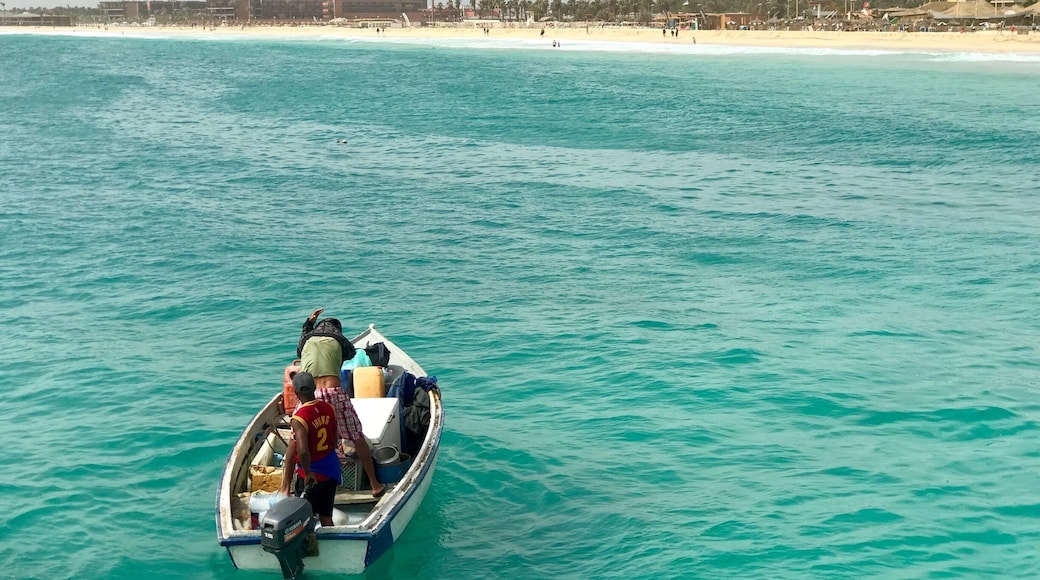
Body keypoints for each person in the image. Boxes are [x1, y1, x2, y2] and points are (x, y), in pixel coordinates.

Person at [296, 308, 385, 498]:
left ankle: (286, 486)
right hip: (333, 392)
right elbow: (351, 354)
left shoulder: (306, 339)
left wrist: (309, 323)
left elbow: (299, 347)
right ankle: (374, 484)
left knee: (297, 439)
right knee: (356, 436)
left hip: (309, 395)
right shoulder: (338, 338)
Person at [279, 372, 342, 528]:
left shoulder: (299, 418)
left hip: (312, 476)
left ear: (295, 393)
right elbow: (334, 438)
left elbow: (302, 451)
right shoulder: (329, 408)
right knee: (326, 516)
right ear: (315, 388)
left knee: (304, 519)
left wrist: (307, 473)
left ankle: (309, 542)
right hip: (331, 470)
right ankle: (331, 538)